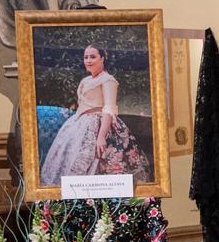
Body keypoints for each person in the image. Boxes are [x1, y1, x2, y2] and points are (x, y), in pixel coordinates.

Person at [40, 43, 149, 185]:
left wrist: (101, 136)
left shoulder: (108, 80)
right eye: (86, 57)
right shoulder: (85, 81)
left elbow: (109, 108)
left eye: (93, 57)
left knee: (101, 161)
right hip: (79, 124)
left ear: (103, 58)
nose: (88, 60)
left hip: (102, 123)